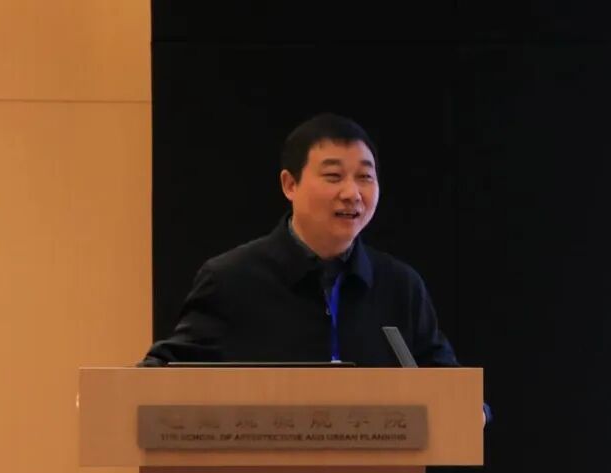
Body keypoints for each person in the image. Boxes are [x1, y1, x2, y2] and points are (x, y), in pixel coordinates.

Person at [138, 113, 490, 424]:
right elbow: (167, 372)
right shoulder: (232, 280)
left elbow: (445, 380)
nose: (352, 193)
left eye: (365, 177)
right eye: (334, 176)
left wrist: (473, 410)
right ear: (289, 184)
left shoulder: (399, 285)